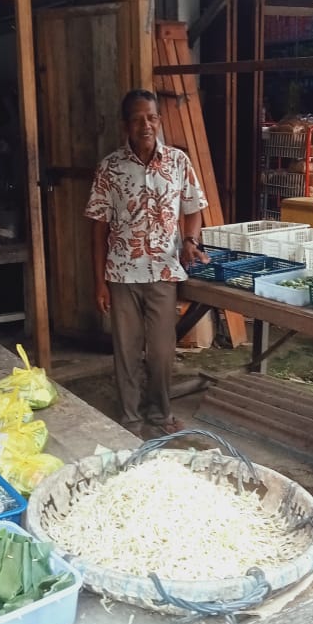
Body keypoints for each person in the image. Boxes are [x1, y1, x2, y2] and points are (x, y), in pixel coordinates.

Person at [85, 89, 209, 438]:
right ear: (126, 124)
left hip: (164, 271)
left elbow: (193, 209)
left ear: (159, 120)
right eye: (138, 119)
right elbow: (98, 229)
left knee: (162, 351)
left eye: (151, 118)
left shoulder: (178, 162)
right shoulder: (110, 168)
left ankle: (160, 413)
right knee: (126, 350)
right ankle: (130, 418)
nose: (146, 125)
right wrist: (99, 282)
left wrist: (189, 242)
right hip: (122, 273)